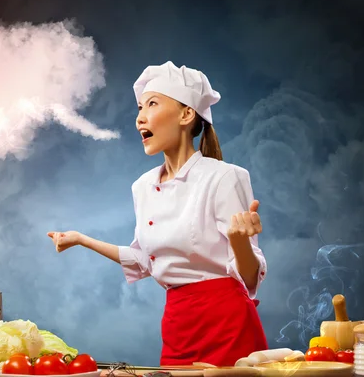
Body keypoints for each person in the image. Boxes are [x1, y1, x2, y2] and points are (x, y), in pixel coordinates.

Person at [47, 61, 268, 367]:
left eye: (152, 104)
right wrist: (81, 240)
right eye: (139, 108)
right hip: (178, 325)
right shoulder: (143, 187)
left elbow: (248, 277)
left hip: (227, 323)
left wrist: (239, 241)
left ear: (186, 114)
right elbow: (144, 260)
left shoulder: (224, 177)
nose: (140, 118)